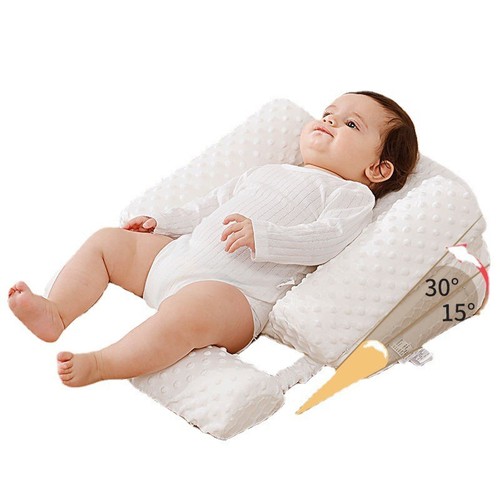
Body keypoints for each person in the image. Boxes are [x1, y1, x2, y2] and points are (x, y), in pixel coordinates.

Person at [7, 90, 419, 387]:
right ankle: (57, 311)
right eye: (328, 113)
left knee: (186, 317)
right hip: (179, 255)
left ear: (378, 169)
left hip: (235, 295)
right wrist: (163, 222)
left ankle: (104, 363)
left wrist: (265, 237)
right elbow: (209, 206)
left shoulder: (351, 196)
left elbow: (327, 239)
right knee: (107, 242)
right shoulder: (270, 171)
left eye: (350, 124)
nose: (329, 121)